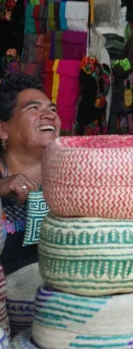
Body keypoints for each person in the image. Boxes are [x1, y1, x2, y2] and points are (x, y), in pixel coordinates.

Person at [0, 74, 61, 275]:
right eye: (34, 108)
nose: (50, 115)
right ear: (3, 130)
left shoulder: (72, 182)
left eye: (52, 109)